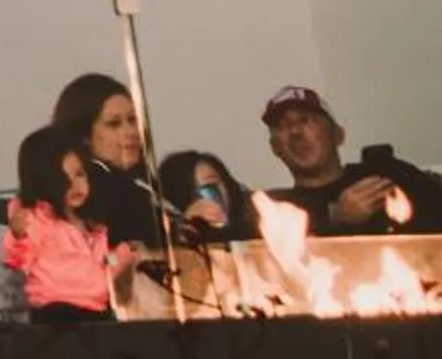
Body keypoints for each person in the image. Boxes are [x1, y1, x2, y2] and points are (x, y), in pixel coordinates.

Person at [262, 85, 442, 238]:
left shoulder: (386, 175)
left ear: (337, 135)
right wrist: (335, 217)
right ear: (274, 147)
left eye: (305, 120)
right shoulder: (273, 209)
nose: (295, 132)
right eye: (282, 126)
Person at [4, 124, 142, 323]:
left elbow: (104, 265)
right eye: (63, 178)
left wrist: (123, 254)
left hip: (96, 309)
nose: (75, 185)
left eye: (80, 174)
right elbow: (17, 259)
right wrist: (18, 235)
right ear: (43, 181)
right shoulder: (36, 218)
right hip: (55, 310)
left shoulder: (93, 226)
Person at [50, 72, 166, 253]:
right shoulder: (84, 194)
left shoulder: (145, 183)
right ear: (84, 136)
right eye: (114, 124)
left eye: (133, 120)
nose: (132, 132)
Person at [156, 149, 253, 242]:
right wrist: (188, 226)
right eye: (196, 190)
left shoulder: (254, 221)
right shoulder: (167, 237)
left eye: (211, 187)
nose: (205, 200)